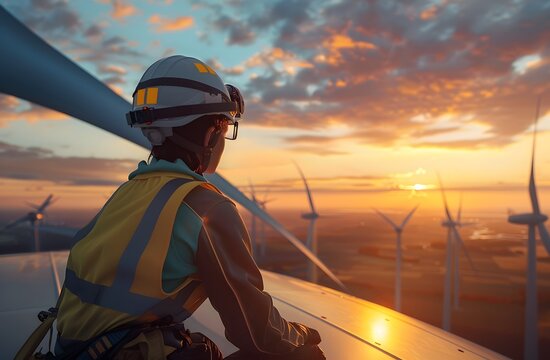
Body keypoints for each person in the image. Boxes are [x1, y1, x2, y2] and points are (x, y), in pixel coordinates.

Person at [52, 55, 325, 359]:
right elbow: (256, 332)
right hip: (118, 352)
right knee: (302, 355)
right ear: (210, 133)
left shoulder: (127, 193)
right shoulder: (206, 205)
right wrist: (300, 334)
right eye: (223, 128)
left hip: (76, 352)